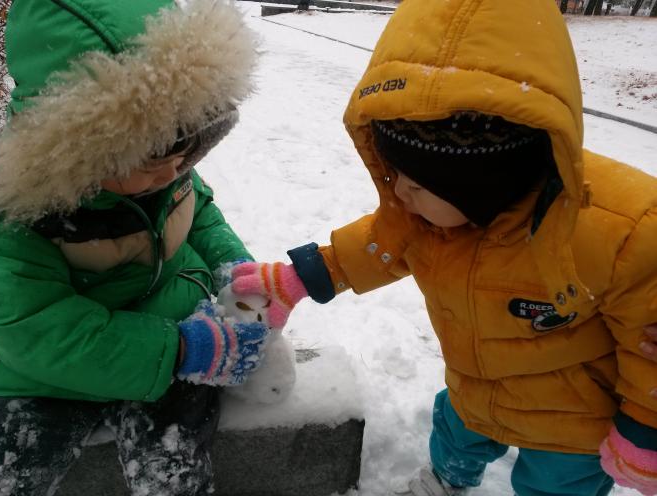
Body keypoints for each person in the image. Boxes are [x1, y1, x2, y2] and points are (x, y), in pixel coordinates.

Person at [228, 0, 657, 495]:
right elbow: (375, 245)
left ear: (480, 184)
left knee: (558, 487)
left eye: (417, 181)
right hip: (472, 391)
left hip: (572, 424)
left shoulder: (620, 232)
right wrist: (298, 279)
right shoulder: (425, 218)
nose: (399, 191)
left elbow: (648, 340)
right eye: (395, 172)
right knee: (453, 437)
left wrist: (644, 429)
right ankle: (446, 481)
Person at [0, 0, 270, 494]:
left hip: (172, 326)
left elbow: (199, 213)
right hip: (45, 374)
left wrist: (235, 267)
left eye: (188, 150)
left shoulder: (165, 169)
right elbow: (34, 330)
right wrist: (179, 349)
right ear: (82, 146)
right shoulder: (13, 213)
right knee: (13, 462)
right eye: (151, 155)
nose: (173, 171)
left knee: (177, 457)